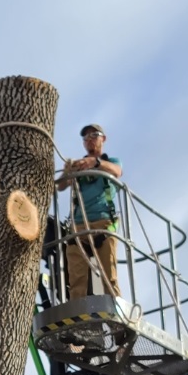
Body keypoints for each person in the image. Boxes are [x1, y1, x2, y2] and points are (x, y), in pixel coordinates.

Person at [56, 124, 122, 301]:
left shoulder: (110, 162)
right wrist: (67, 171)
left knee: (109, 276)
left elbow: (117, 172)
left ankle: (117, 313)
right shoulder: (80, 167)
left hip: (103, 223)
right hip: (78, 226)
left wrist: (96, 163)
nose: (89, 140)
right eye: (85, 138)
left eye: (94, 135)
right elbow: (61, 186)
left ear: (103, 139)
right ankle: (78, 316)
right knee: (76, 279)